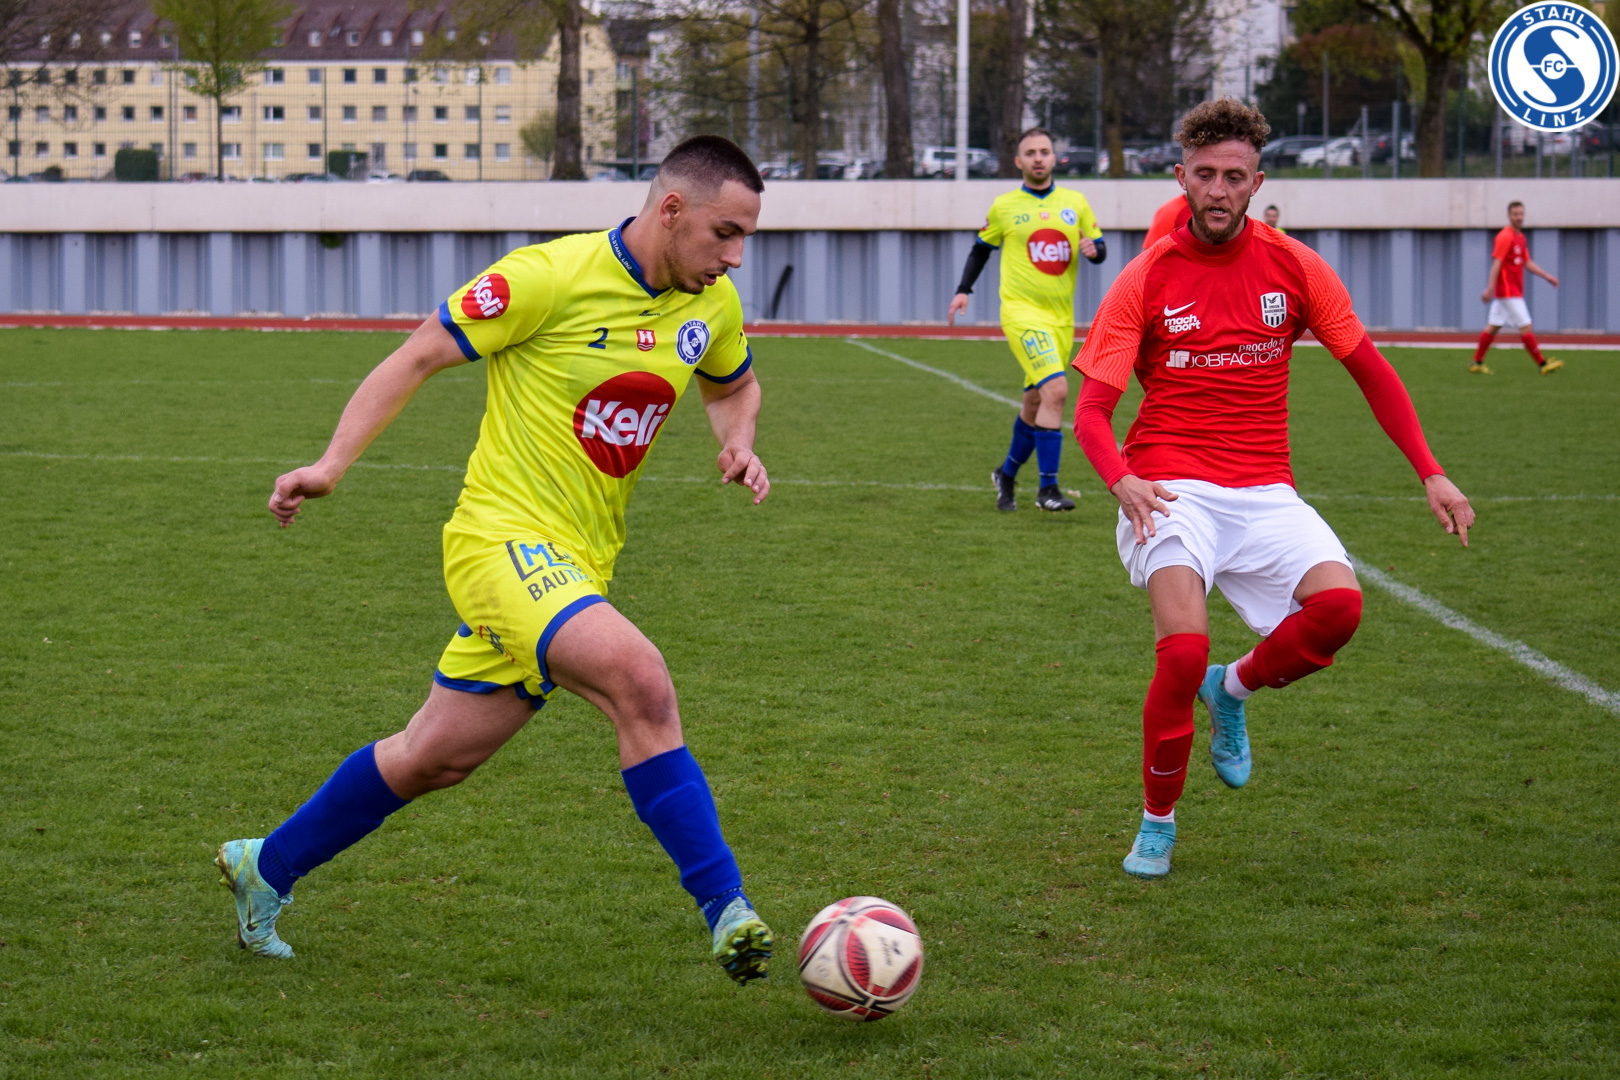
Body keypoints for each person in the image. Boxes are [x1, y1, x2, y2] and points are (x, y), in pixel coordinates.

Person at [216, 135, 776, 985]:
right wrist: (330, 465)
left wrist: (737, 440)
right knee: (640, 679)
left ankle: (266, 864)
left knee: (433, 756)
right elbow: (419, 352)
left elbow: (734, 383)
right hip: (499, 544)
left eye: (744, 239)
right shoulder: (547, 277)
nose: (734, 257)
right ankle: (727, 907)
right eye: (724, 233)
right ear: (671, 209)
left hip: (580, 565)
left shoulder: (711, 304)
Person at [1070, 99, 1474, 880]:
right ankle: (1157, 823)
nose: (1219, 189)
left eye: (1234, 176)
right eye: (1205, 174)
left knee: (1340, 610)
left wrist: (1430, 469)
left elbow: (1371, 371)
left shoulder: (1296, 266)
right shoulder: (1144, 277)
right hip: (1171, 489)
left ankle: (1233, 689)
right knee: (1181, 653)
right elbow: (1091, 411)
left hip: (1264, 488)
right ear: (1180, 177)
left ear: (1257, 182)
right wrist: (1122, 479)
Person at [948, 127, 1107, 513]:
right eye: (1030, 153)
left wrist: (1094, 250)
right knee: (1057, 391)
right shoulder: (1005, 206)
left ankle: (1006, 474)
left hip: (1061, 320)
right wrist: (963, 289)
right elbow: (981, 249)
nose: (1038, 158)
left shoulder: (1076, 203)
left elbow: (1099, 247)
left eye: (1044, 151)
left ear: (1054, 158)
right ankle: (1047, 489)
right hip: (1021, 314)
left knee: (1035, 402)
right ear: (1019, 161)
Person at [1471, 201, 1562, 376]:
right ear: (1509, 216)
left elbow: (1527, 262)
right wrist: (1490, 288)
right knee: (1526, 326)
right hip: (1508, 291)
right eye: (1515, 214)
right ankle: (1542, 364)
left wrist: (1547, 276)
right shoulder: (1505, 236)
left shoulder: (1520, 237)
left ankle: (1477, 362)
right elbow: (1497, 263)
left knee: (1493, 326)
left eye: (1521, 214)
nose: (1519, 217)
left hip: (1512, 291)